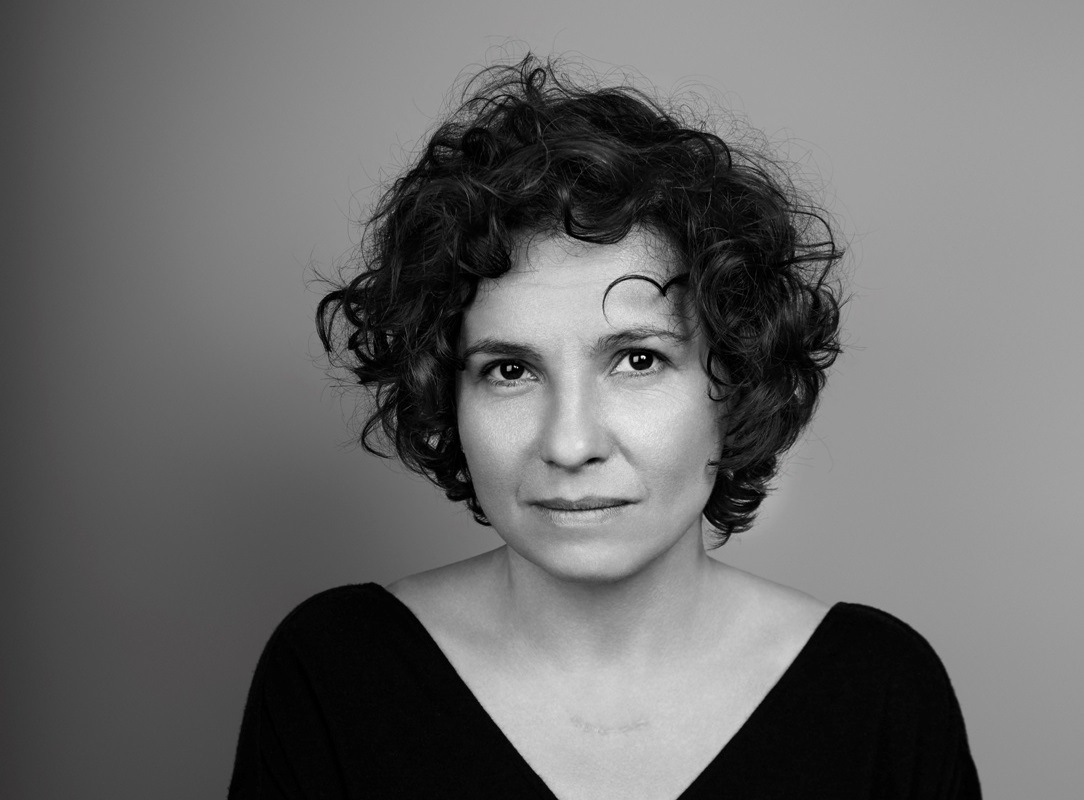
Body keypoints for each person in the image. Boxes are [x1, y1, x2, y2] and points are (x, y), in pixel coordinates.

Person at [229, 55, 980, 799]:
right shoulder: (335, 675)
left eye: (638, 360)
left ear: (737, 383)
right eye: (510, 370)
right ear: (447, 397)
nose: (570, 443)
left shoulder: (881, 693)